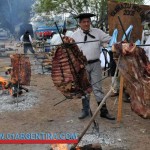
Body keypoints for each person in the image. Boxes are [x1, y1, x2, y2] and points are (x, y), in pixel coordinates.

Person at [72, 13, 115, 120]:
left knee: (98, 88)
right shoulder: (74, 35)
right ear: (80, 23)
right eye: (84, 22)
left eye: (88, 21)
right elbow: (70, 50)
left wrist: (118, 42)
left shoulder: (98, 32)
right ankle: (85, 110)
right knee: (84, 88)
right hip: (83, 65)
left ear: (90, 22)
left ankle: (103, 111)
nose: (86, 24)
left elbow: (110, 40)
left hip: (96, 64)